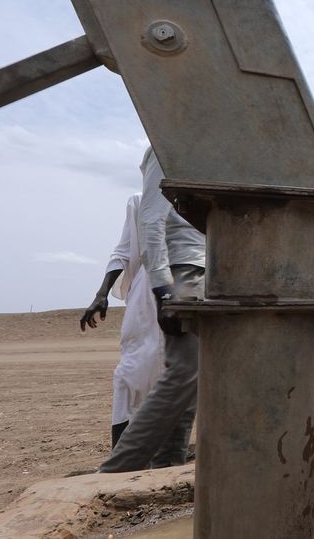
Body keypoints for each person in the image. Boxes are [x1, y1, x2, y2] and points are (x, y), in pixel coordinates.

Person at [99, 147, 206, 472]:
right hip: (181, 269)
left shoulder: (210, 143)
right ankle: (118, 468)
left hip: (205, 266)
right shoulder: (169, 144)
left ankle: (167, 466)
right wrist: (162, 289)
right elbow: (150, 221)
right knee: (184, 369)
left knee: (193, 381)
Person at [80, 193, 164, 447]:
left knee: (176, 372)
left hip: (189, 290)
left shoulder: (194, 198)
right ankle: (120, 458)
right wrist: (101, 293)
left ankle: (166, 453)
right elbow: (124, 251)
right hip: (146, 297)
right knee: (131, 372)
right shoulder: (140, 201)